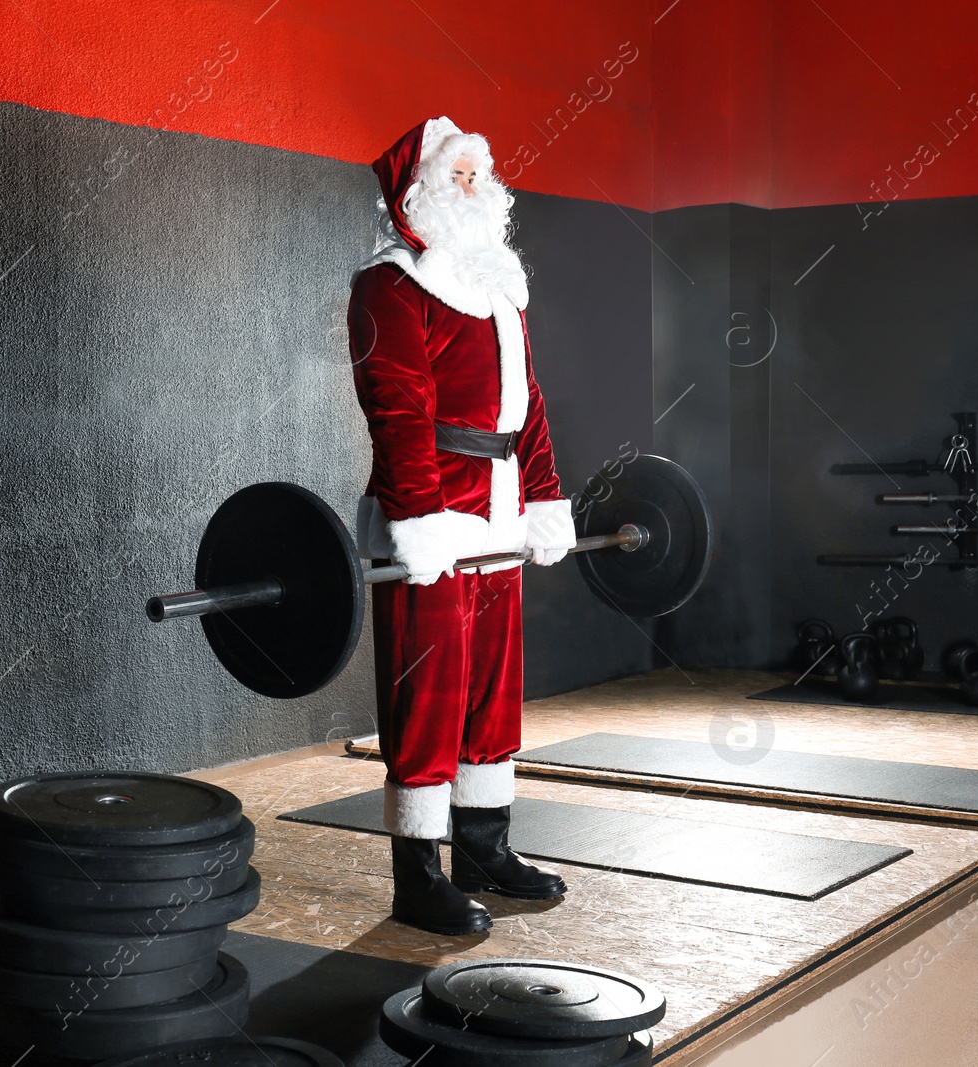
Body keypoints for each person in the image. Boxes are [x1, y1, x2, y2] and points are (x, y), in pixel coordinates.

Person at [348, 117, 575, 935]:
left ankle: (486, 848)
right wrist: (420, 522)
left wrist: (545, 498)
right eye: (460, 177)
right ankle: (419, 876)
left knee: (489, 690)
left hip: (503, 505)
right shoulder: (389, 285)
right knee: (428, 697)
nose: (475, 189)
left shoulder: (499, 282)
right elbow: (398, 410)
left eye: (482, 175)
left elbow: (529, 406)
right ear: (419, 192)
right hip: (435, 510)